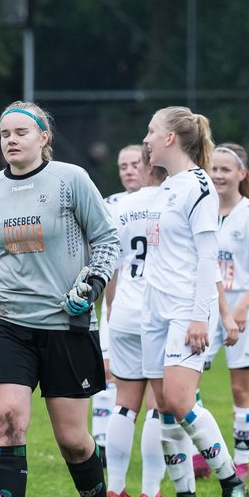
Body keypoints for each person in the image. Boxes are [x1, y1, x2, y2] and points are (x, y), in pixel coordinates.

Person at [0, 101, 120, 497]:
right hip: (5, 321)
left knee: (73, 441)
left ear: (44, 139)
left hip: (64, 324)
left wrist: (93, 284)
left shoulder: (70, 180)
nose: (11, 140)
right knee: (8, 419)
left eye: (21, 132)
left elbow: (108, 239)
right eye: (4, 133)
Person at [140, 106, 248, 497]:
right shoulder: (166, 186)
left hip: (186, 308)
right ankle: (185, 496)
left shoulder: (198, 187)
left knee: (182, 400)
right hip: (155, 309)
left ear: (170, 139)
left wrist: (203, 316)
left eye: (152, 132)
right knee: (163, 403)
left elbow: (208, 257)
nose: (146, 138)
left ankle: (231, 484)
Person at [102, 145, 175, 497]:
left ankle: (114, 488)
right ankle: (151, 490)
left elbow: (111, 264)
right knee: (157, 405)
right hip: (156, 312)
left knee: (123, 401)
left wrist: (112, 305)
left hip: (125, 311)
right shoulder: (171, 202)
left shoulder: (122, 206)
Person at [203, 143, 249, 480]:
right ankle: (201, 454)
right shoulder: (200, 210)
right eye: (213, 169)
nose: (218, 175)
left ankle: (241, 461)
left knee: (239, 389)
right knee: (187, 385)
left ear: (241, 174)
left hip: (242, 309)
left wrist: (242, 308)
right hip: (205, 308)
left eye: (225, 169)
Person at [92, 145, 146, 461]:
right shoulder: (110, 204)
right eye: (122, 165)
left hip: (149, 305)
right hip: (116, 304)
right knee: (106, 371)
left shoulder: (162, 200)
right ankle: (101, 442)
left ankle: (182, 447)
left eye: (134, 163)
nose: (128, 170)